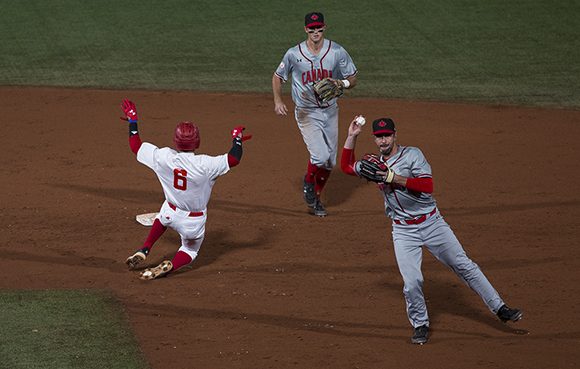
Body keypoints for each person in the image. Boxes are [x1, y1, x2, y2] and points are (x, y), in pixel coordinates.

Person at [340, 116, 522, 344]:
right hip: (404, 231)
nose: (383, 140)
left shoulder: (413, 155)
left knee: (464, 265)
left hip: (432, 224)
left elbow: (427, 186)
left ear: (395, 134)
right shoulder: (374, 165)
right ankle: (420, 325)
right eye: (379, 137)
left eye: (386, 135)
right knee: (412, 282)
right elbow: (346, 166)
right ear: (375, 139)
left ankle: (500, 308)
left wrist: (393, 178)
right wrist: (351, 136)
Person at [120, 99, 251, 280]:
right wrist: (236, 138)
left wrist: (133, 121)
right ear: (197, 141)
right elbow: (234, 159)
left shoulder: (163, 157)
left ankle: (145, 248)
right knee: (190, 250)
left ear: (176, 141)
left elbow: (136, 146)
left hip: (170, 212)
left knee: (163, 215)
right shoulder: (206, 164)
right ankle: (171, 266)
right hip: (193, 223)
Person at [272, 11, 358, 217]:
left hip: (330, 111)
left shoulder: (336, 51)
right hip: (306, 112)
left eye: (319, 28)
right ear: (306, 30)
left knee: (330, 162)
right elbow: (277, 77)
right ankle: (308, 184)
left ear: (324, 27)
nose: (316, 31)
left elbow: (353, 77)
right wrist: (277, 100)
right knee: (319, 156)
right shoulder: (293, 54)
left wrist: (341, 83)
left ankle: (316, 198)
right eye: (312, 28)